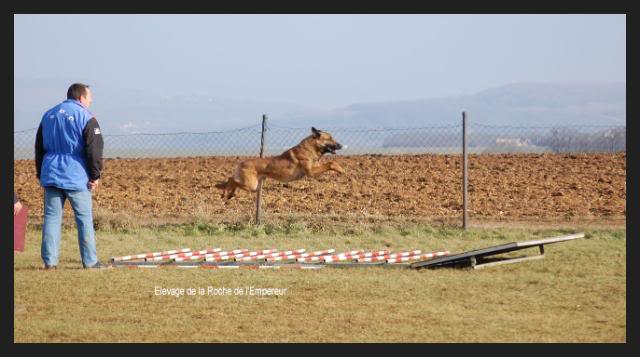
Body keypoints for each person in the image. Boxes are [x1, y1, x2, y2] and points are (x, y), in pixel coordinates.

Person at [35, 83, 107, 269]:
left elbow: (39, 148)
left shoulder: (48, 115)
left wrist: (40, 173)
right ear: (81, 97)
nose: (91, 100)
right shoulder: (86, 117)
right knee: (84, 219)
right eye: (89, 96)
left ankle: (50, 262)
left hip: (51, 172)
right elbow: (94, 149)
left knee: (51, 218)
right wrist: (95, 175)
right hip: (76, 175)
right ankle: (90, 261)